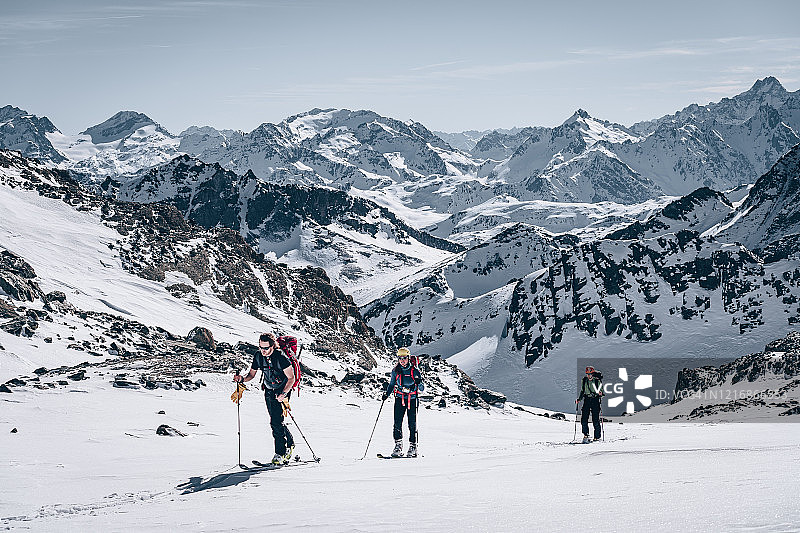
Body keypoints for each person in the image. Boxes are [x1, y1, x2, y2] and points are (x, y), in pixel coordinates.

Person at [234, 332, 296, 464]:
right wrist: (242, 379)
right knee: (275, 420)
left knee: (275, 421)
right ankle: (289, 444)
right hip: (268, 390)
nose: (263, 351)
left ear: (273, 346)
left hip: (282, 390)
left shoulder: (281, 357)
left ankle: (280, 453)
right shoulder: (258, 356)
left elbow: (291, 378)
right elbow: (251, 374)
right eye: (261, 347)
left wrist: (284, 394)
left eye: (266, 348)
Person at [382, 347, 424, 457]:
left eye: (404, 358)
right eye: (400, 358)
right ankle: (398, 446)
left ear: (408, 358)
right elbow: (391, 384)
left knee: (412, 424)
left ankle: (413, 447)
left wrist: (419, 382)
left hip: (412, 399)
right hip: (399, 398)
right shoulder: (395, 371)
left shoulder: (415, 371)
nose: (402, 360)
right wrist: (387, 394)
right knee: (397, 422)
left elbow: (422, 388)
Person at [576, 366, 603, 443]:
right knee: (584, 419)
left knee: (595, 419)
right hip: (587, 400)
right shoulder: (584, 380)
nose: (588, 375)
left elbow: (602, 392)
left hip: (595, 400)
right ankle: (586, 434)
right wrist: (579, 399)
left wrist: (600, 394)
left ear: (593, 374)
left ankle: (597, 437)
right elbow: (582, 391)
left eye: (590, 374)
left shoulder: (597, 381)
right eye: (587, 374)